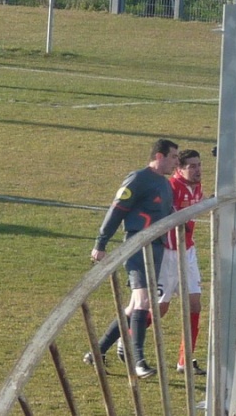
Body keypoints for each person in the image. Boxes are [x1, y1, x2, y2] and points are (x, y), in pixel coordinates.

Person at [83, 138, 179, 379]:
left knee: (134, 305)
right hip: (137, 246)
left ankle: (97, 352)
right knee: (143, 302)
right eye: (173, 157)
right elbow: (117, 210)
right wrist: (101, 243)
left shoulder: (165, 185)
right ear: (159, 156)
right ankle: (138, 361)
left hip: (155, 250)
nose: (176, 162)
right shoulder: (138, 179)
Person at [158, 149, 207, 375]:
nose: (197, 170)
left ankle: (184, 360)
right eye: (192, 166)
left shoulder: (197, 187)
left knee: (194, 305)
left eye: (199, 165)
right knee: (158, 309)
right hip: (168, 254)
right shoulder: (170, 188)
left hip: (188, 251)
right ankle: (121, 338)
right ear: (179, 169)